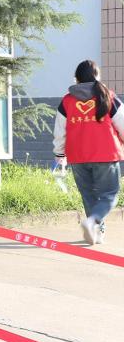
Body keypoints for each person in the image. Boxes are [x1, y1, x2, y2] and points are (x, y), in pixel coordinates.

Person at [53, 60, 124, 245]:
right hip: (106, 154)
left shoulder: (67, 101)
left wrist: (59, 154)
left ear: (76, 79)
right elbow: (122, 124)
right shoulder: (108, 96)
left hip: (77, 156)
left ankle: (97, 232)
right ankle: (92, 222)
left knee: (89, 195)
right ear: (97, 76)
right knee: (109, 194)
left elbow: (60, 131)